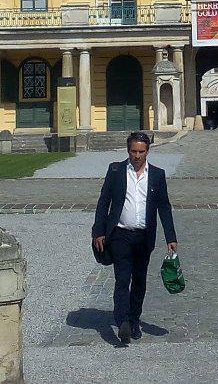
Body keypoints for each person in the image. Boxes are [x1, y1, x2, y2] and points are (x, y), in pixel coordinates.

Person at [92, 132, 178, 346]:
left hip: (144, 236)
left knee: (139, 281)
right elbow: (104, 202)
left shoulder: (157, 175)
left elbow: (164, 207)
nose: (137, 155)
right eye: (133, 151)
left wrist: (171, 237)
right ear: (128, 150)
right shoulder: (116, 171)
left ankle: (134, 320)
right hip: (120, 234)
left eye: (141, 151)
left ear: (147, 151)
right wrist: (98, 231)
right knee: (122, 280)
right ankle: (122, 321)